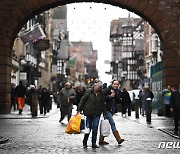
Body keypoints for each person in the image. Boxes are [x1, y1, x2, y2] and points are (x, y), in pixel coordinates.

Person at [77, 79, 106, 148]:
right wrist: (79, 109)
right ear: (95, 86)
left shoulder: (101, 93)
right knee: (88, 128)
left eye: (100, 87)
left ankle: (94, 143)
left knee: (95, 127)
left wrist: (104, 113)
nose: (100, 88)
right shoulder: (88, 92)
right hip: (88, 112)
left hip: (97, 113)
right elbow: (83, 100)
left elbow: (103, 103)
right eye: (99, 87)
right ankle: (85, 141)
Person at [99, 79, 124, 146]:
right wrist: (110, 96)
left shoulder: (116, 91)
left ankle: (101, 140)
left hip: (111, 110)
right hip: (106, 109)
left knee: (106, 124)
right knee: (112, 123)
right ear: (112, 84)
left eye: (117, 84)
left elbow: (118, 101)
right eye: (114, 84)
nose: (116, 85)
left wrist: (116, 96)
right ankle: (118, 139)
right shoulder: (107, 90)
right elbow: (102, 97)